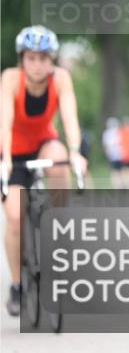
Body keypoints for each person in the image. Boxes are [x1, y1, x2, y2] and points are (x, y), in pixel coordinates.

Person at [0, 26, 88, 316]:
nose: (37, 64)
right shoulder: (11, 79)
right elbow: (5, 120)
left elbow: (69, 117)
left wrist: (76, 152)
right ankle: (16, 285)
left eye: (43, 58)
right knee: (14, 215)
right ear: (22, 59)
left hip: (43, 143)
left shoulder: (61, 79)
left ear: (52, 59)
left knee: (60, 157)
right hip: (12, 151)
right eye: (31, 58)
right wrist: (7, 159)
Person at [102, 116, 124, 189]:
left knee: (114, 172)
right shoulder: (120, 132)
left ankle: (118, 188)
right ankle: (122, 187)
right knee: (121, 171)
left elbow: (105, 146)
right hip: (121, 155)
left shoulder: (106, 134)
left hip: (112, 156)